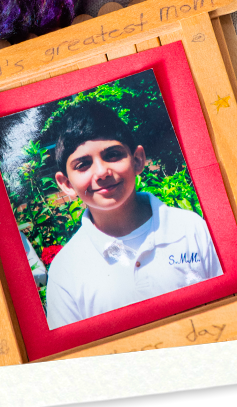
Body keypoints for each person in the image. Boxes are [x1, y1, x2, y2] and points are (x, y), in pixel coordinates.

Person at [42, 100, 221, 329]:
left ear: (137, 160)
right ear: (66, 184)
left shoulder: (191, 229)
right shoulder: (65, 270)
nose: (101, 172)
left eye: (113, 155)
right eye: (83, 164)